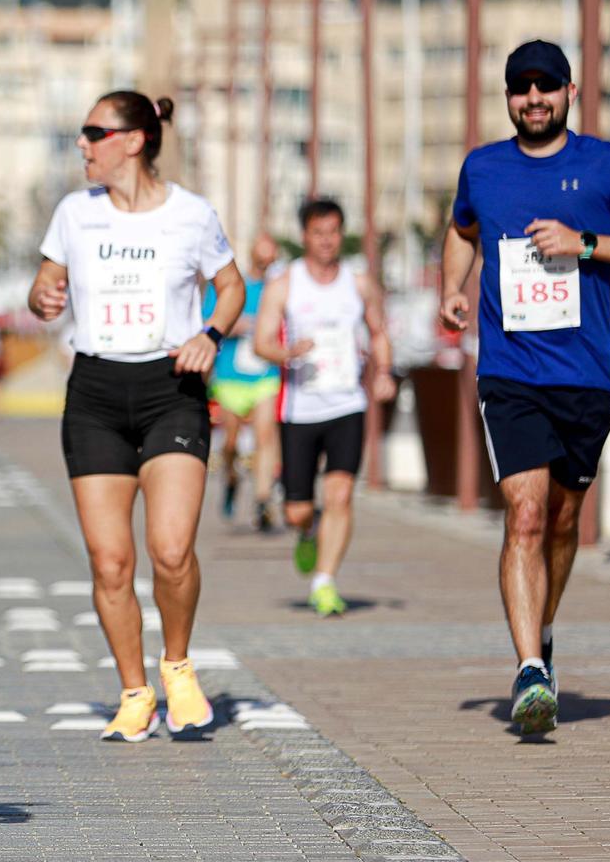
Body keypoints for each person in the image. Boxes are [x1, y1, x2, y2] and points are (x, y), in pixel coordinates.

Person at [439, 39, 610, 735]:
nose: (532, 98)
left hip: (585, 375)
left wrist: (588, 243)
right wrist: (452, 287)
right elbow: (462, 230)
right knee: (527, 515)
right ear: (508, 97)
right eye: (520, 88)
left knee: (565, 523)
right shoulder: (482, 167)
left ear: (570, 91)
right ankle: (529, 670)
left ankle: (541, 631)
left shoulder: (605, 164)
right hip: (510, 371)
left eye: (545, 86)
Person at [28, 92, 242, 742]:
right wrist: (41, 295)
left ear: (135, 139)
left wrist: (212, 332)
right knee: (110, 561)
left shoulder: (191, 214)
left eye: (94, 132)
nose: (83, 145)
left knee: (171, 550)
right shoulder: (74, 212)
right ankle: (134, 690)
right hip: (94, 389)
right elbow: (44, 288)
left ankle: (177, 663)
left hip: (169, 385)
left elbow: (230, 286)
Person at [251, 199, 394, 616]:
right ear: (305, 236)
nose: (327, 240)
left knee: (341, 493)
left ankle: (325, 581)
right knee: (296, 509)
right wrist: (286, 351)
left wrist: (384, 370)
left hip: (347, 402)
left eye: (333, 231)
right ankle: (307, 529)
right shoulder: (285, 284)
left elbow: (379, 330)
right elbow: (261, 342)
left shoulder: (359, 282)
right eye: (318, 232)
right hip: (301, 408)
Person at [205, 233, 283, 530]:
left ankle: (263, 500)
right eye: (262, 260)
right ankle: (232, 479)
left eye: (271, 260)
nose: (266, 265)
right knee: (231, 443)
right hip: (229, 376)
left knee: (265, 437)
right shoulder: (231, 284)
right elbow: (208, 322)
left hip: (264, 374)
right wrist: (236, 326)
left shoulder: (276, 289)